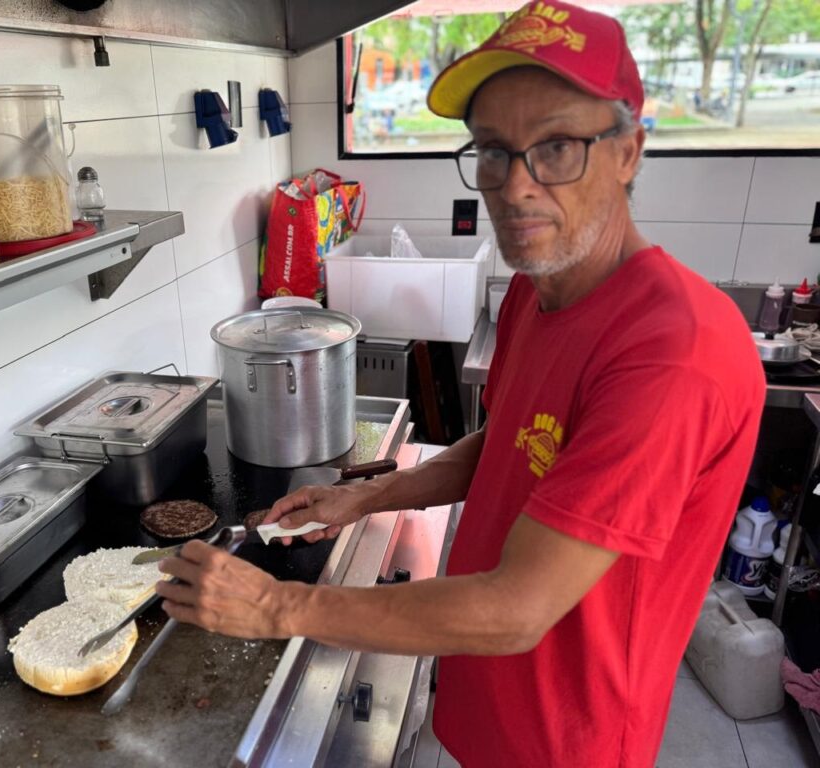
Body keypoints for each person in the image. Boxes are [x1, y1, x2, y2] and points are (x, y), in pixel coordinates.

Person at [155, 2, 765, 766]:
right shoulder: (533, 290)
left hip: (567, 740)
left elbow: (517, 611)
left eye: (557, 148)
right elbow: (509, 441)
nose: (514, 186)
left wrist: (278, 605)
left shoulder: (673, 350)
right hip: (480, 694)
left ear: (629, 152)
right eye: (493, 150)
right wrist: (365, 495)